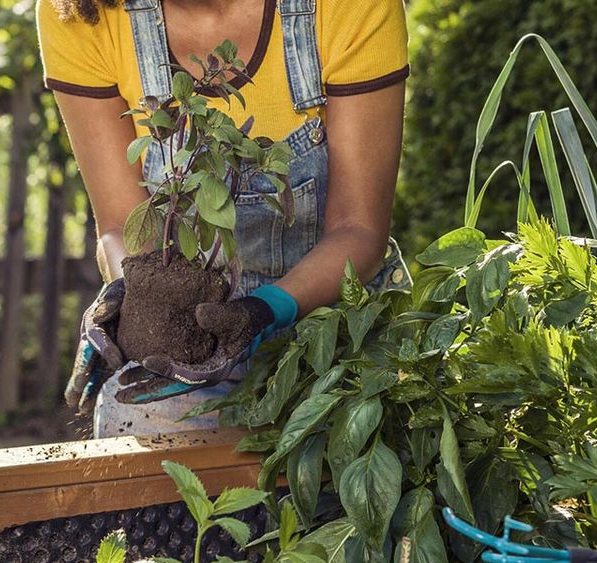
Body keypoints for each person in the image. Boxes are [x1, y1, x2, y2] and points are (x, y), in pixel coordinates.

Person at [42, 0, 413, 437]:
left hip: (334, 335)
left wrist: (264, 311)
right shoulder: (82, 11)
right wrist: (130, 287)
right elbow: (122, 223)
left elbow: (359, 228)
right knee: (140, 442)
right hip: (186, 346)